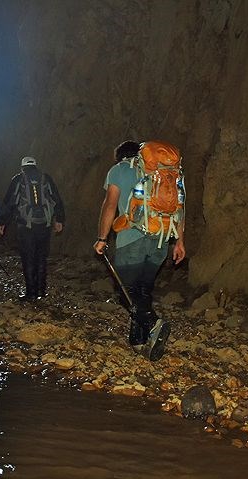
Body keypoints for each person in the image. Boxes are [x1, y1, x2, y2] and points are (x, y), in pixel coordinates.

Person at [94, 140, 186, 361]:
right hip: (161, 240)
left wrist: (102, 238)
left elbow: (110, 205)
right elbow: (180, 207)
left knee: (126, 292)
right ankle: (139, 341)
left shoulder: (119, 170)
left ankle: (153, 323)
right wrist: (180, 242)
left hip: (131, 239)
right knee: (142, 290)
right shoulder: (167, 173)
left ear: (120, 156)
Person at [0, 156, 65, 301]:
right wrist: (59, 219)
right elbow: (56, 198)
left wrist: (2, 222)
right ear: (35, 165)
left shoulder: (18, 178)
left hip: (26, 226)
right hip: (45, 225)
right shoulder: (45, 178)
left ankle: (31, 293)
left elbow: (10, 202)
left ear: (22, 167)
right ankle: (41, 290)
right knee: (41, 257)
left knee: (28, 258)